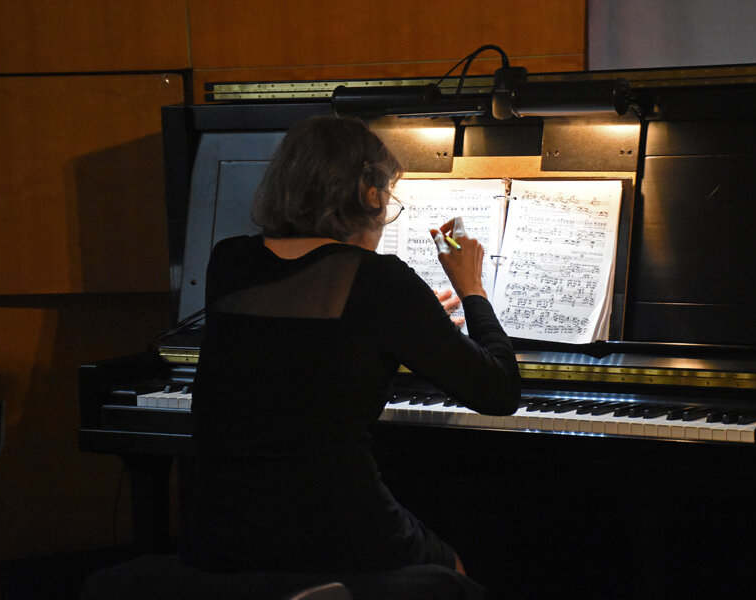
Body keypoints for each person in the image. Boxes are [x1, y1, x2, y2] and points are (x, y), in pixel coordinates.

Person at [181, 116, 520, 590]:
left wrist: (412, 321)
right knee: (453, 576)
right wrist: (471, 288)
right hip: (333, 526)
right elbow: (499, 391)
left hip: (224, 526)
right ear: (369, 193)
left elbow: (308, 340)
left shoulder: (229, 259)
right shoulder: (379, 280)